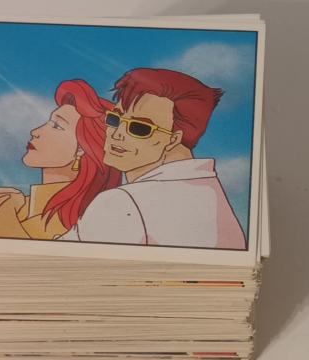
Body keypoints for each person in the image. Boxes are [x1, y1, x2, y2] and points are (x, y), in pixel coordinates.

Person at [60, 68, 247, 249]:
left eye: (139, 128)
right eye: (114, 119)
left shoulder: (125, 201)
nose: (116, 134)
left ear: (174, 139)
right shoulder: (211, 194)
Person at [0, 79, 121, 239]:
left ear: (82, 149)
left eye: (56, 126)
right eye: (48, 122)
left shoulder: (85, 224)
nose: (35, 131)